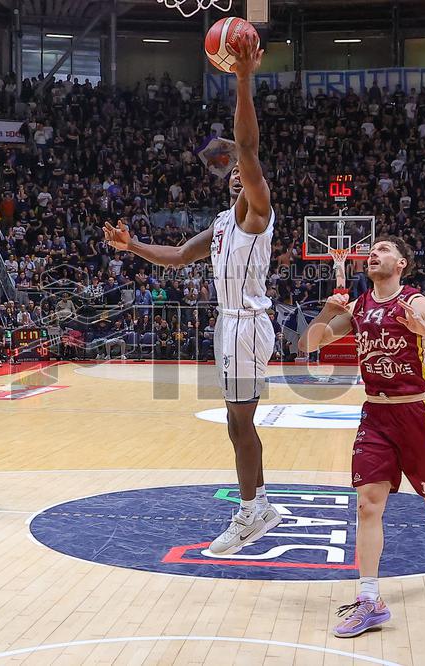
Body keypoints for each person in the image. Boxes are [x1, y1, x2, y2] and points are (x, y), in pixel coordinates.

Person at [103, 32, 281, 555]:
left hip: (246, 322)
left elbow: (245, 148)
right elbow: (180, 256)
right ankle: (259, 502)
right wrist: (133, 245)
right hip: (231, 324)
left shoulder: (256, 213)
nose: (236, 176)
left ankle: (251, 512)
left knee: (240, 420)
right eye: (232, 174)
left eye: (244, 173)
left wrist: (243, 80)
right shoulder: (224, 223)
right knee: (234, 420)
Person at [299, 236, 425, 638]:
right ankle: (370, 599)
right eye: (371, 250)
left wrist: (422, 329)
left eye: (384, 249)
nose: (374, 253)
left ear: (402, 263)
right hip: (376, 413)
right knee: (367, 505)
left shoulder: (418, 303)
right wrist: (326, 310)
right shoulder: (358, 307)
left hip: (417, 413)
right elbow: (309, 344)